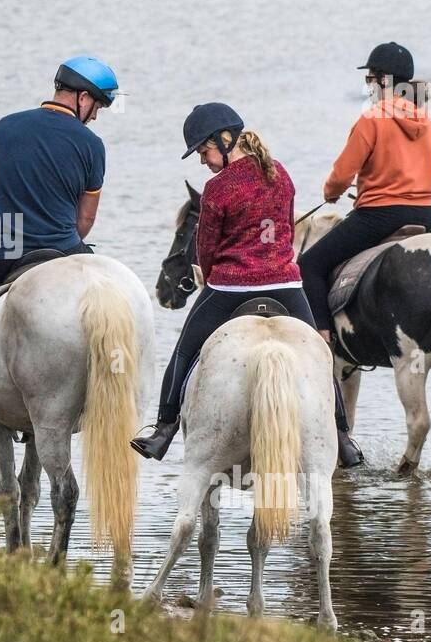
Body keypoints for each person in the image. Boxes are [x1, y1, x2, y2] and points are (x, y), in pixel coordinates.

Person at [129, 103, 361, 467]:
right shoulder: (281, 174)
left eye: (203, 152)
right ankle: (344, 437)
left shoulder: (217, 188)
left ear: (224, 140)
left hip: (231, 290)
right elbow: (286, 229)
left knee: (184, 352)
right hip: (286, 284)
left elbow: (206, 249)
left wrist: (211, 274)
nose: (203, 161)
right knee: (318, 354)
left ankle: (163, 429)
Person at [0, 56, 116, 420]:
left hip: (4, 248)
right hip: (63, 249)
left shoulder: (5, 127)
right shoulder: (92, 145)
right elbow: (85, 218)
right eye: (97, 105)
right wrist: (64, 243)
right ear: (82, 98)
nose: (95, 116)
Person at [299, 41, 431, 341]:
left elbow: (342, 173)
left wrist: (331, 192)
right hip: (426, 216)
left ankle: (322, 337)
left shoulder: (371, 119)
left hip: (381, 216)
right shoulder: (427, 122)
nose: (368, 87)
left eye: (370, 79)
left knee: (309, 265)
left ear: (384, 81)